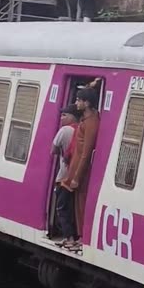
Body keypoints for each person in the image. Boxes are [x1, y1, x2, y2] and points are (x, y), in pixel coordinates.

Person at [60, 80, 101, 250]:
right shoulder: (86, 119)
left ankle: (83, 238)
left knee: (82, 204)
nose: (76, 103)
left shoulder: (91, 122)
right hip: (75, 169)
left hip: (80, 171)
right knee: (77, 203)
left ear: (87, 103)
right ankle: (79, 236)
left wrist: (77, 175)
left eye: (79, 100)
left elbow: (86, 152)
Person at [48, 108, 78, 242]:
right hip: (77, 177)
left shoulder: (64, 130)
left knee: (62, 207)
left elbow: (53, 150)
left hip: (64, 176)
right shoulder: (80, 131)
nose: (61, 118)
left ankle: (68, 237)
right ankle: (75, 235)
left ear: (72, 117)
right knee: (72, 207)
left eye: (64, 115)